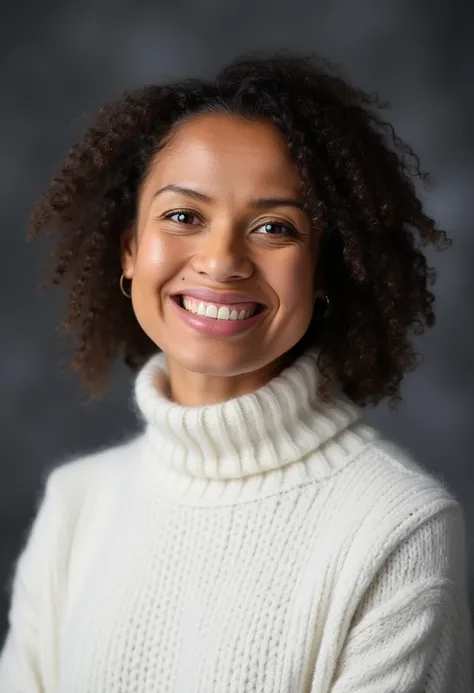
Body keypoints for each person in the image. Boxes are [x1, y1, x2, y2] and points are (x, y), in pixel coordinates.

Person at [0, 51, 472, 692]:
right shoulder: (76, 505)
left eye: (275, 227)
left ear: (325, 271)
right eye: (183, 216)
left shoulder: (397, 530)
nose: (221, 261)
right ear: (131, 249)